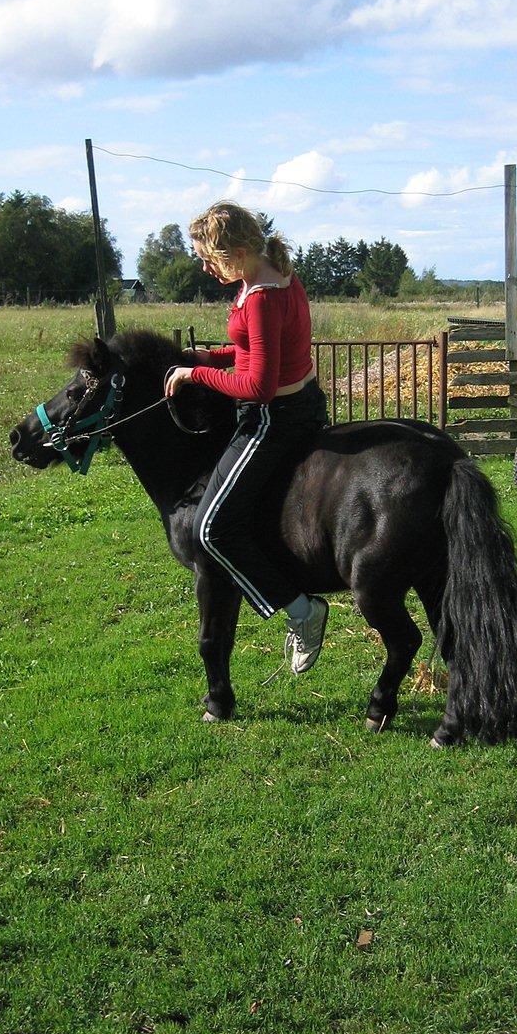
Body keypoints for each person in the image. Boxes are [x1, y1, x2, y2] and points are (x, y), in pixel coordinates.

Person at [164, 201, 329, 679]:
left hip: (274, 417)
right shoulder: (277, 273)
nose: (204, 266)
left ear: (234, 251)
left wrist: (196, 374)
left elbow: (257, 385)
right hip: (302, 401)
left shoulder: (259, 297)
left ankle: (303, 612)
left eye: (208, 257)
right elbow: (248, 350)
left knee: (209, 530)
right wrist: (205, 355)